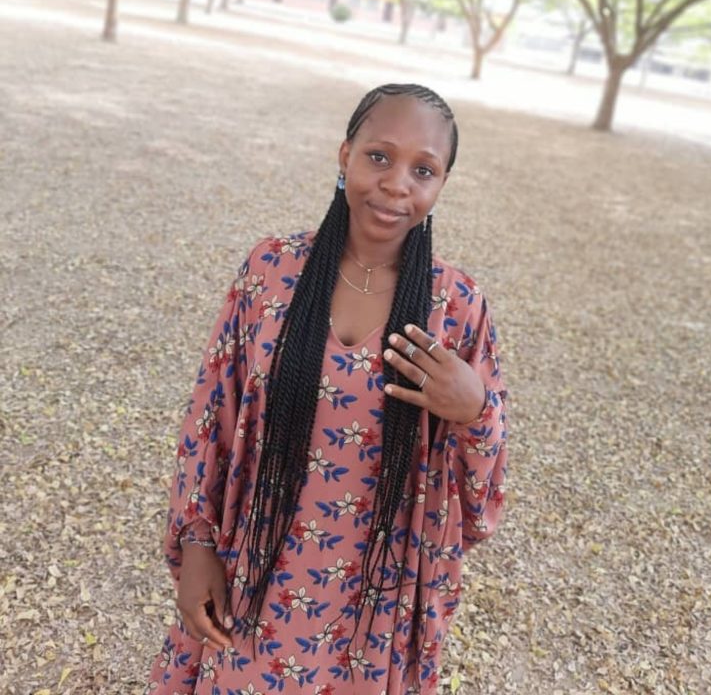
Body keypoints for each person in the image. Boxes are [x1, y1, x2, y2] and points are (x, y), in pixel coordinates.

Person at [145, 83, 507, 695]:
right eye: (379, 156)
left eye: (423, 170)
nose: (396, 184)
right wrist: (198, 540)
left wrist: (475, 409)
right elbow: (212, 410)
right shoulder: (271, 271)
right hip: (253, 573)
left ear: (442, 184)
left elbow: (480, 501)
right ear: (345, 156)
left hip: (379, 599)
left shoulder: (457, 306)